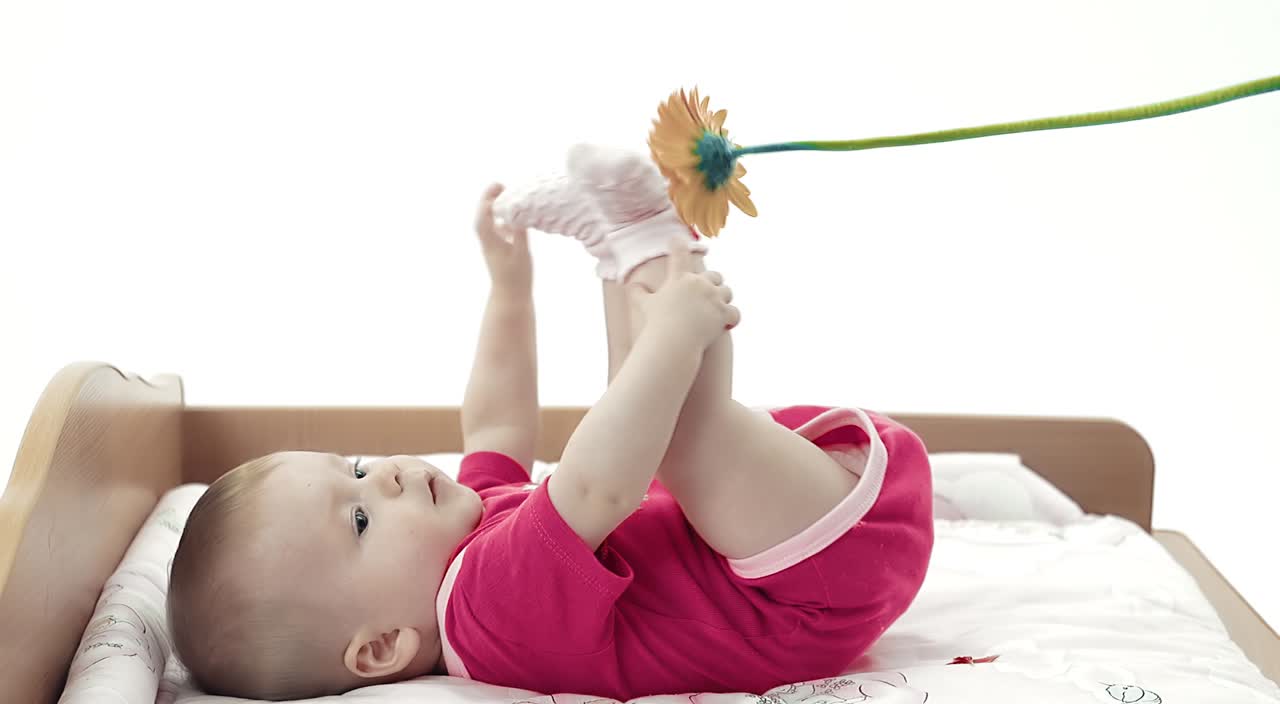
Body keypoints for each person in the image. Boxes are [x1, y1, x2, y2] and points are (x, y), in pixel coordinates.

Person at [166, 144, 934, 701]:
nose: (390, 473)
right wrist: (673, 335)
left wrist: (508, 285)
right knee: (658, 437)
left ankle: (621, 251)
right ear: (380, 648)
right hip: (810, 589)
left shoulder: (463, 537)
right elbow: (598, 486)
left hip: (798, 532)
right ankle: (651, 247)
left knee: (643, 420)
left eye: (357, 466)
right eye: (360, 517)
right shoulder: (487, 614)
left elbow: (495, 424)